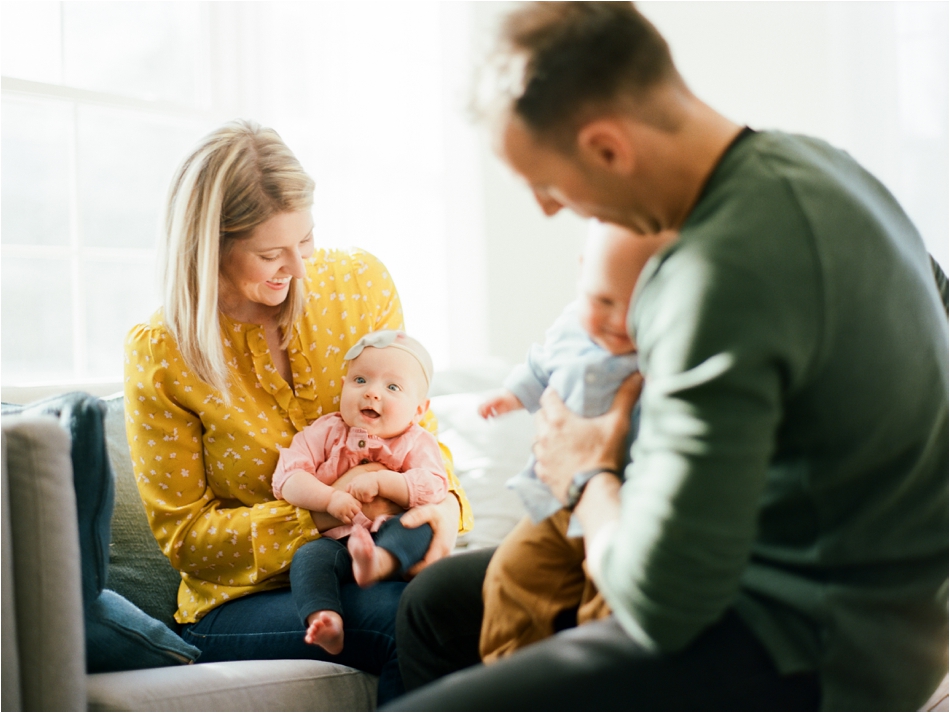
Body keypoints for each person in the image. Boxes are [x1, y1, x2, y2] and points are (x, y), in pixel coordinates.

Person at [388, 3, 948, 711]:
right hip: (897, 617)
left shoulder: (716, 270)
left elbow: (662, 601)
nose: (547, 211)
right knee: (441, 603)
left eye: (547, 184)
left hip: (809, 648)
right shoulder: (825, 167)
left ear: (607, 149)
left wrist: (585, 469)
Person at [123, 119, 472, 705]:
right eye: (271, 253)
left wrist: (443, 507)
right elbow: (188, 537)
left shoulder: (359, 284)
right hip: (236, 604)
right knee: (412, 616)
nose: (300, 266)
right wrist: (328, 506)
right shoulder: (162, 352)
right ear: (209, 247)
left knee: (485, 592)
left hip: (375, 557)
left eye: (305, 240)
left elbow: (418, 436)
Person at [476, 223, 672, 662]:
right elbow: (542, 363)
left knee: (604, 602)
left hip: (623, 500)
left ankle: (591, 686)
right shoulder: (570, 326)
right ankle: (508, 679)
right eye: (602, 300)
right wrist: (513, 395)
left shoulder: (665, 349)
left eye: (638, 303)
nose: (618, 321)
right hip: (553, 497)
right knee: (510, 575)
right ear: (583, 274)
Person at [271, 330, 448, 655]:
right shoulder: (325, 431)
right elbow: (288, 477)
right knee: (308, 558)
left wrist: (384, 483)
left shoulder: (416, 441)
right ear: (343, 386)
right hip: (335, 541)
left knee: (418, 525)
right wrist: (330, 499)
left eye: (392, 387)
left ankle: (378, 563)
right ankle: (325, 618)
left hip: (391, 536)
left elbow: (434, 486)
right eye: (361, 380)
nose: (372, 394)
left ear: (419, 410)